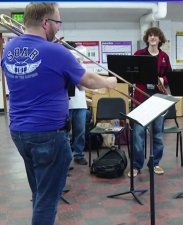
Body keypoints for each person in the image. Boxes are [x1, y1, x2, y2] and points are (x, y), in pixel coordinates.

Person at [0, 3, 117, 225]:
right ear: (45, 23)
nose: (58, 28)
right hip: (49, 135)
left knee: (39, 193)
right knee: (47, 201)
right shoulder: (56, 51)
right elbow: (88, 80)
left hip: (19, 132)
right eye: (57, 23)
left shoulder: (10, 47)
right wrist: (110, 81)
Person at [130, 27, 172, 177]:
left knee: (158, 134)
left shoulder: (165, 57)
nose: (153, 37)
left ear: (160, 39)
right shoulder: (138, 54)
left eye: (156, 35)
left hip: (158, 99)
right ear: (147, 38)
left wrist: (163, 79)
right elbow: (132, 73)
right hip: (140, 98)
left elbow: (169, 76)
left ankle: (155, 164)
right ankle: (136, 165)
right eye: (150, 35)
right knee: (138, 133)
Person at [67, 42, 89, 166]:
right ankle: (67, 158)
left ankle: (79, 155)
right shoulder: (64, 63)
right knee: (66, 134)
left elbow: (82, 85)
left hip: (80, 103)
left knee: (80, 131)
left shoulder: (83, 66)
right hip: (67, 103)